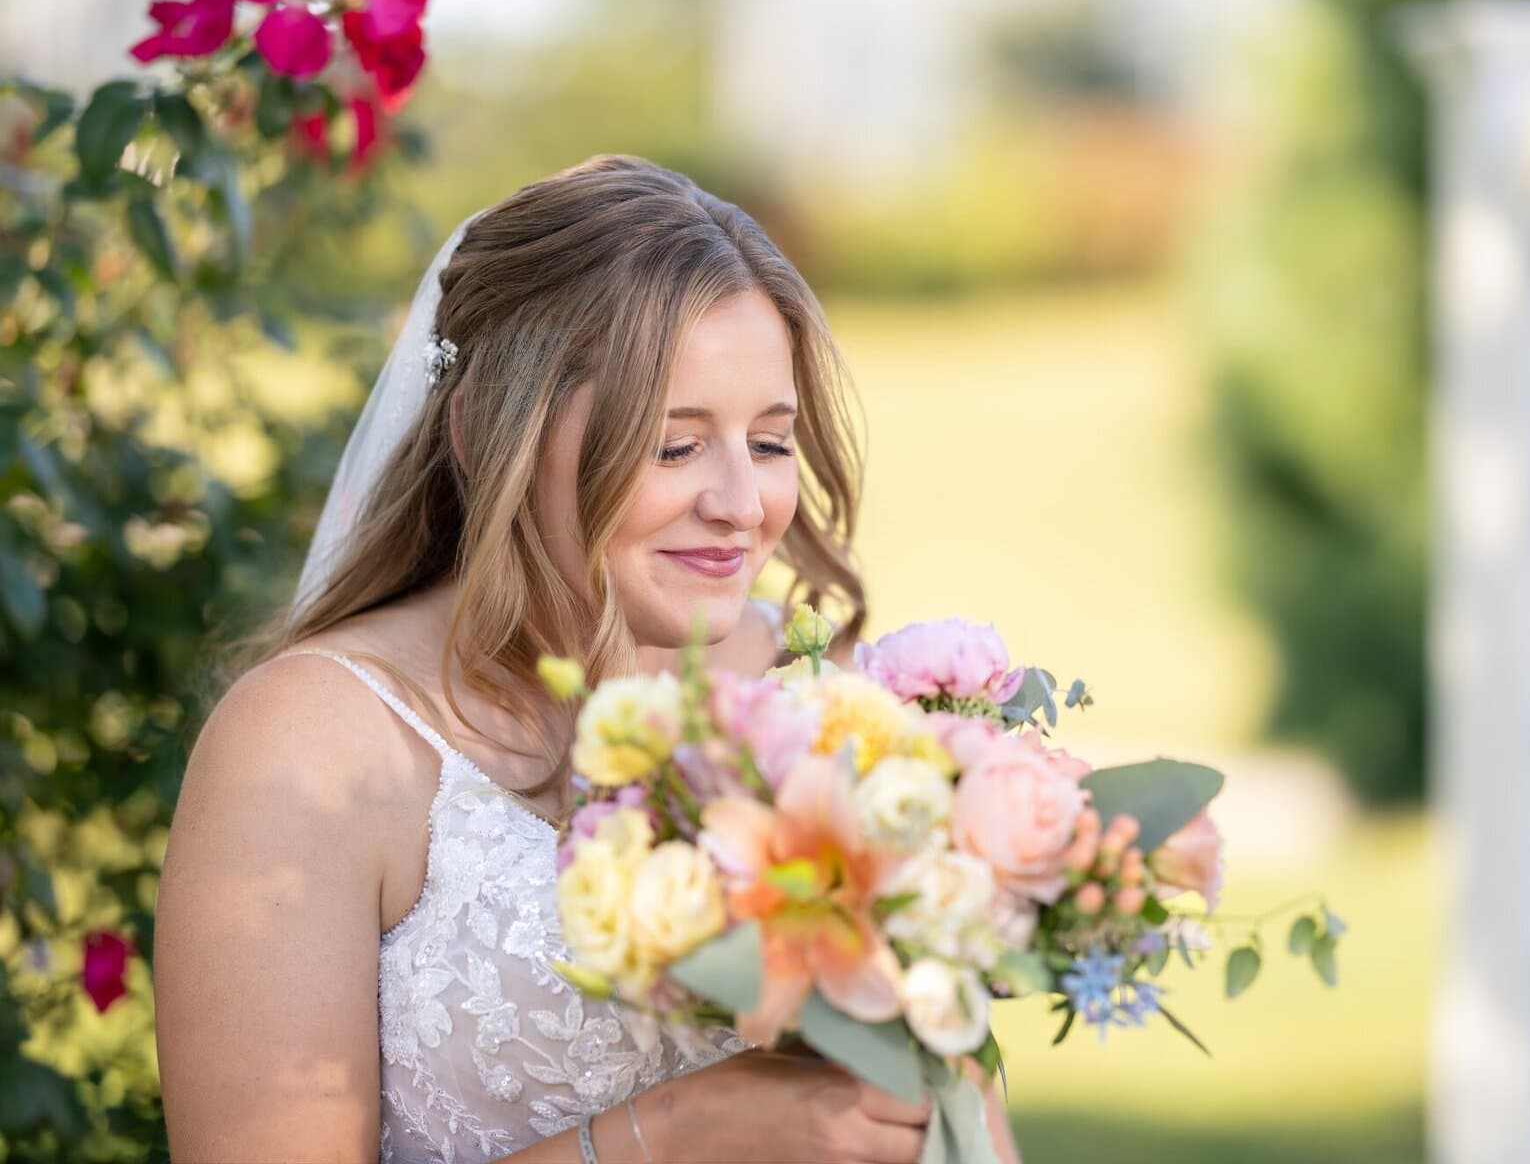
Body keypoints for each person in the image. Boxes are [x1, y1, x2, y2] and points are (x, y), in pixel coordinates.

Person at [153, 154, 1023, 1163]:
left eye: (772, 442)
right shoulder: (315, 745)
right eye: (673, 443)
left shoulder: (824, 701)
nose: (742, 504)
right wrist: (677, 1132)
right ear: (487, 432)